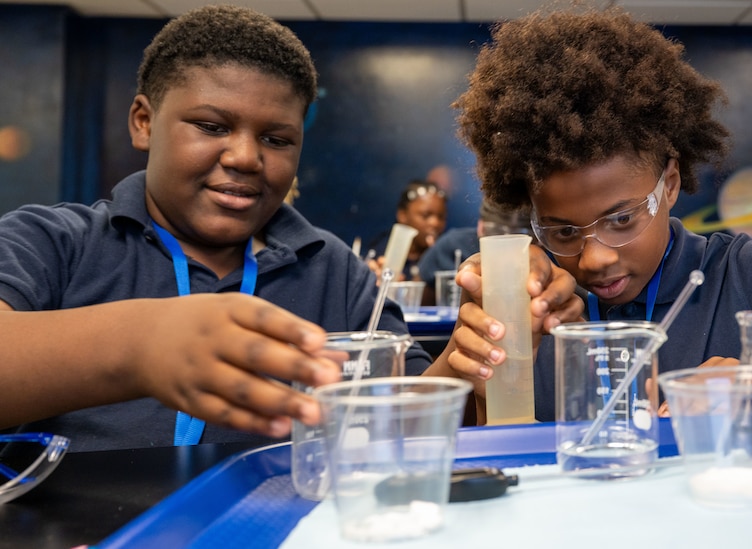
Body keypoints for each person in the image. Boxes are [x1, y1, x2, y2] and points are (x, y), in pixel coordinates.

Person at [0, 5, 582, 451]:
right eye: (210, 125)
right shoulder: (52, 244)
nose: (246, 157)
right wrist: (142, 343)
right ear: (144, 122)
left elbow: (394, 421)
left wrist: (463, 359)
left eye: (277, 139)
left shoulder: (334, 272)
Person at [434, 8, 752, 424]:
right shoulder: (527, 305)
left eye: (621, 219)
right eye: (563, 231)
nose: (594, 259)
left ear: (669, 184)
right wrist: (474, 349)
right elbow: (393, 437)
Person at [417, 197, 532, 305]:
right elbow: (417, 297)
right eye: (498, 232)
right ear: (481, 227)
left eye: (519, 234)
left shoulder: (541, 262)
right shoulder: (453, 245)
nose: (507, 246)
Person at [367, 179, 448, 280]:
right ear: (402, 215)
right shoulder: (380, 255)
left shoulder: (445, 257)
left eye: (441, 217)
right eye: (425, 215)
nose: (435, 223)